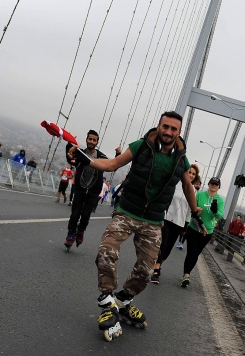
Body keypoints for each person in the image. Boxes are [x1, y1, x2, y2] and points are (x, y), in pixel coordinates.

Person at [68, 111, 199, 337]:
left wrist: (195, 212)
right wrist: (85, 158)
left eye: (173, 129)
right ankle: (108, 302)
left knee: (146, 271)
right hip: (127, 211)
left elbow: (187, 185)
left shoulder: (181, 159)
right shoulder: (141, 146)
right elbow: (112, 164)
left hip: (153, 220)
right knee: (106, 252)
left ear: (179, 132)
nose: (168, 131)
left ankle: (123, 300)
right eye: (165, 126)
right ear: (158, 126)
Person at [64, 130, 118, 249]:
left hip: (93, 190)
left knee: (86, 214)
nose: (91, 141)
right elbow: (70, 160)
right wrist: (69, 143)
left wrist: (118, 154)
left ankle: (81, 231)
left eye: (94, 140)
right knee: (75, 213)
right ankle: (71, 234)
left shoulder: (101, 156)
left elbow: (112, 166)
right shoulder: (81, 153)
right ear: (86, 140)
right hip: (80, 187)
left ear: (97, 142)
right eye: (90, 139)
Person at [151, 164, 201, 284]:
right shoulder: (175, 183)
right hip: (166, 218)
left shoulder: (193, 191)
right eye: (189, 172)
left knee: (168, 249)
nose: (191, 175)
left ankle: (158, 265)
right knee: (163, 244)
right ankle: (156, 271)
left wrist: (186, 224)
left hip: (179, 222)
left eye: (193, 174)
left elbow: (189, 210)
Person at [181, 176, 224, 288]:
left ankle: (187, 273)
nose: (213, 186)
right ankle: (186, 275)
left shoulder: (220, 200)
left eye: (216, 184)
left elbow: (220, 216)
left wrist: (215, 211)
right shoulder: (200, 195)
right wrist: (196, 209)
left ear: (218, 187)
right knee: (191, 252)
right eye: (212, 183)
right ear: (208, 184)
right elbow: (192, 207)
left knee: (196, 253)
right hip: (194, 227)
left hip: (207, 231)